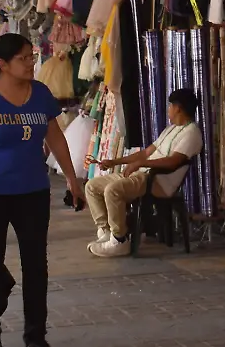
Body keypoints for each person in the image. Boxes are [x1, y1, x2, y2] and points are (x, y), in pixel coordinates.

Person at [0, 33, 84, 347]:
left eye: (31, 56)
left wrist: (72, 178)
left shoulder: (40, 94)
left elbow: (55, 138)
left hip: (33, 194)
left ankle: (35, 336)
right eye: (24, 58)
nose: (31, 63)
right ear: (2, 63)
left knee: (36, 265)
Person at [84, 88, 204, 258]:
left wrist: (142, 163)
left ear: (178, 108)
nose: (168, 109)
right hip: (142, 174)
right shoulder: (170, 130)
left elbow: (173, 161)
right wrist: (115, 162)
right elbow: (145, 153)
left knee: (113, 190)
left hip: (157, 180)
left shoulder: (192, 133)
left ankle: (119, 239)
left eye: (170, 106)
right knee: (92, 186)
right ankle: (107, 231)